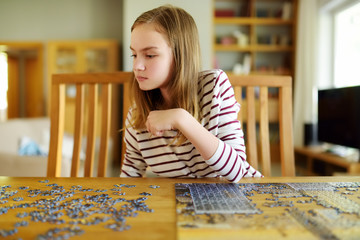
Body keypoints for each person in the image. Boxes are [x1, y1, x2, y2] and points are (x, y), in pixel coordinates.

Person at [120, 5, 262, 182]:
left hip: (240, 198)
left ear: (181, 56)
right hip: (181, 205)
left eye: (149, 55)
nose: (137, 66)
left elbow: (237, 171)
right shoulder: (138, 113)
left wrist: (181, 119)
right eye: (134, 55)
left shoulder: (214, 86)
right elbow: (130, 173)